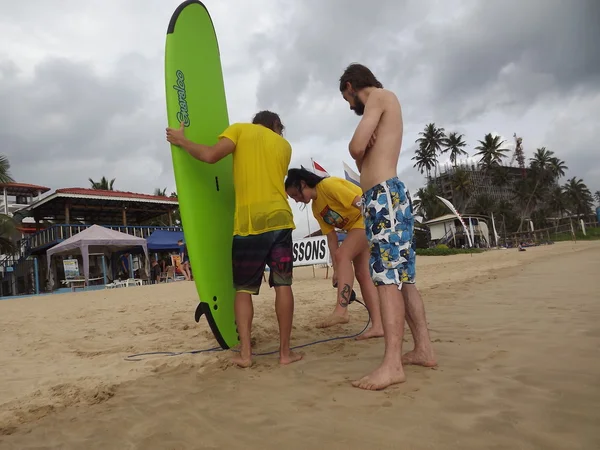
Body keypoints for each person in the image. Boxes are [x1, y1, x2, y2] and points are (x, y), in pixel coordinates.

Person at [166, 110, 303, 368]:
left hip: (249, 223)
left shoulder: (240, 129)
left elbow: (210, 156)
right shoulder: (285, 146)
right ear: (275, 125)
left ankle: (246, 355)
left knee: (243, 289)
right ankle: (285, 354)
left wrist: (181, 140)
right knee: (283, 285)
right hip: (280, 220)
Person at [339, 63, 436, 390]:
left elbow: (355, 149)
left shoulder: (378, 97)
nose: (351, 107)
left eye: (347, 99)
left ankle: (392, 364)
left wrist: (361, 140)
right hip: (388, 197)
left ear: (351, 86)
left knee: (386, 279)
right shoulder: (384, 104)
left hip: (384, 198)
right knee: (403, 279)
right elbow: (361, 157)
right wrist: (363, 146)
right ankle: (423, 349)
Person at [285, 168, 384, 339]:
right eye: (293, 198)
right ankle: (379, 326)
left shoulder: (328, 185)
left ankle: (341, 310)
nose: (296, 200)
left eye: (295, 194)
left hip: (367, 218)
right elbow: (331, 239)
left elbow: (360, 201)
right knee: (362, 274)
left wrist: (379, 221)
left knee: (343, 255)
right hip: (356, 227)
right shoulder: (316, 208)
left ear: (302, 184)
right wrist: (337, 270)